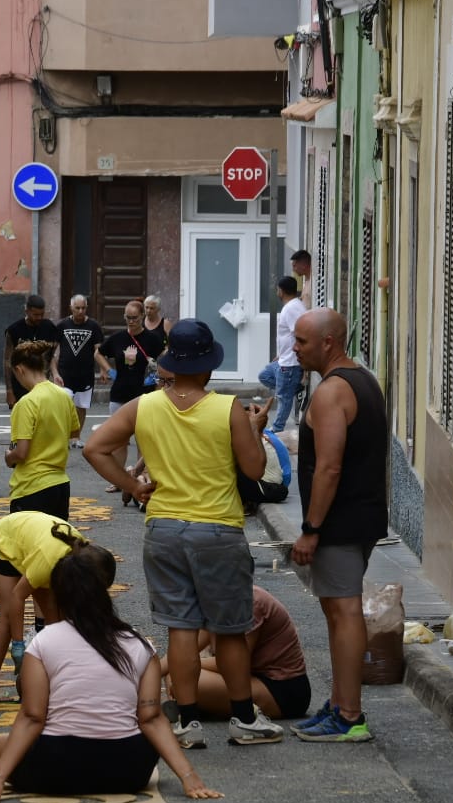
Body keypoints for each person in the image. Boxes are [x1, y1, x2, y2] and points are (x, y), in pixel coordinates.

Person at [83, 318, 282, 750]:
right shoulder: (227, 408)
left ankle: (187, 723)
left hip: (165, 529)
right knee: (229, 629)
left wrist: (133, 486)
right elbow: (254, 468)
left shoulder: (144, 405)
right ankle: (243, 719)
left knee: (181, 628)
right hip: (218, 530)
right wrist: (255, 428)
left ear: (171, 360)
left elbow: (94, 448)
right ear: (209, 366)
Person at [0, 548, 221, 802]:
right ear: (104, 592)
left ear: (57, 595)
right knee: (141, 735)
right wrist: (189, 777)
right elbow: (152, 718)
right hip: (128, 771)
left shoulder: (44, 641)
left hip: (56, 769)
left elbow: (33, 716)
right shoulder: (139, 644)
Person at [290, 308, 388, 743]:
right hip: (360, 516)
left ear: (328, 343)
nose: (295, 348)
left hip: (340, 520)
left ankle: (350, 716)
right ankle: (338, 704)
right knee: (336, 610)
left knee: (344, 611)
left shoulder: (331, 392)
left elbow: (328, 467)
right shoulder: (364, 379)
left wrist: (312, 528)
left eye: (302, 342)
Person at [0, 511, 111, 703]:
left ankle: (55, 681)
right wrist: (18, 644)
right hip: (7, 542)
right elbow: (18, 596)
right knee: (8, 617)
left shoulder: (81, 550)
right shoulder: (48, 561)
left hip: (33, 543)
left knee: (55, 622)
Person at [160, 587, 310, 722]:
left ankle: (197, 707)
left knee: (181, 676)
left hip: (281, 689)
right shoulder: (214, 603)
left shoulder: (250, 603)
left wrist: (185, 665)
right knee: (178, 672)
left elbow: (234, 666)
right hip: (251, 678)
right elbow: (187, 650)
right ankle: (200, 705)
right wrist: (149, 674)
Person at [96, 297, 167, 489]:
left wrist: (156, 379)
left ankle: (139, 476)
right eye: (127, 317)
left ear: (142, 316)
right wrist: (109, 371)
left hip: (143, 394)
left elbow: (164, 357)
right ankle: (118, 480)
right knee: (119, 441)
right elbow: (98, 353)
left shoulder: (152, 339)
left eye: (135, 317)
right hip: (120, 393)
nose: (131, 321)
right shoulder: (118, 338)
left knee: (143, 438)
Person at [6, 339, 76, 521]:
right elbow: (74, 432)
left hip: (31, 487)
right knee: (56, 545)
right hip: (60, 483)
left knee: (27, 545)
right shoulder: (64, 396)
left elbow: (21, 453)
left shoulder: (26, 403)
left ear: (19, 369)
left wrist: (8, 456)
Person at [256, 272, 307, 433]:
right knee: (265, 375)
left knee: (284, 398)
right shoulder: (293, 306)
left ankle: (277, 429)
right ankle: (292, 388)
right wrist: (280, 353)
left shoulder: (291, 308)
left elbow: (298, 333)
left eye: (277, 289)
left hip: (290, 362)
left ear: (281, 290)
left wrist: (301, 361)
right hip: (283, 359)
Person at [54, 294, 108, 444]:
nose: (80, 311)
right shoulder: (62, 325)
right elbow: (52, 352)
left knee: (81, 407)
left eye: (83, 308)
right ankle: (64, 437)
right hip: (64, 374)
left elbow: (99, 351)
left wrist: (103, 370)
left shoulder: (94, 326)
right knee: (64, 407)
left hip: (85, 374)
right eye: (77, 308)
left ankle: (76, 437)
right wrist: (54, 372)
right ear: (71, 307)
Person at [3, 294, 61, 408]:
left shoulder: (49, 327)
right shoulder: (14, 330)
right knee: (22, 420)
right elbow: (7, 361)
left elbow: (52, 355)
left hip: (43, 384)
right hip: (20, 385)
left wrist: (55, 374)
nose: (39, 317)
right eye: (35, 315)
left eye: (42, 314)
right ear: (26, 311)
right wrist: (9, 390)